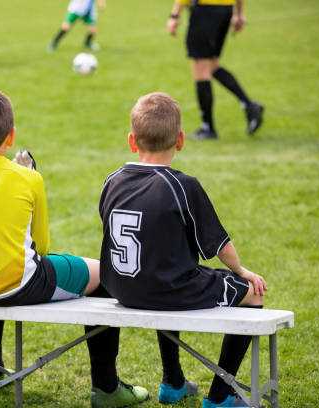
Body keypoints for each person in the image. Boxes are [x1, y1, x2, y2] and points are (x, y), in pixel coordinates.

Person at [0, 85, 149, 407]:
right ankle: (106, 388)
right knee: (103, 273)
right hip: (16, 284)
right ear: (11, 136)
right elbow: (40, 247)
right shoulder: (27, 178)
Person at [90, 92, 267, 407]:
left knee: (168, 269)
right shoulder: (182, 186)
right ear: (181, 140)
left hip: (120, 289)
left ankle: (173, 381)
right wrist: (241, 271)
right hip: (166, 290)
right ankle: (221, 396)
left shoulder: (112, 180)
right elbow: (219, 245)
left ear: (132, 141)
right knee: (253, 293)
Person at [167, 0, 264, 139]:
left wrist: (174, 14)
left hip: (205, 11)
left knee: (201, 70)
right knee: (212, 65)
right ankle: (249, 105)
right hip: (226, 11)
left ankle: (208, 128)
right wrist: (239, 12)